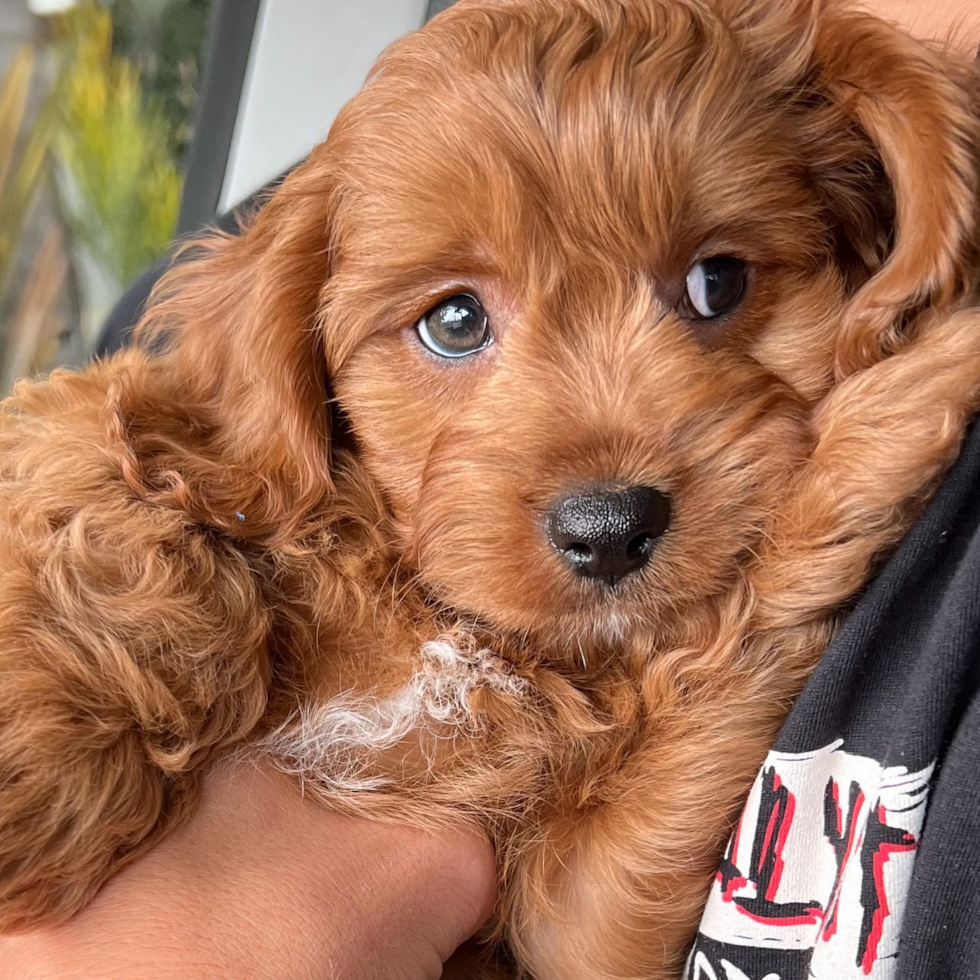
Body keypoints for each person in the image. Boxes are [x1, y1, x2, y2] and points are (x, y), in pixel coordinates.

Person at [3, 3, 978, 978]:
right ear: (293, 353)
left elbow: (584, 929)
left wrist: (801, 555)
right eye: (456, 320)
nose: (603, 490)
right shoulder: (237, 410)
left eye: (714, 285)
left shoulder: (844, 129)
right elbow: (134, 435)